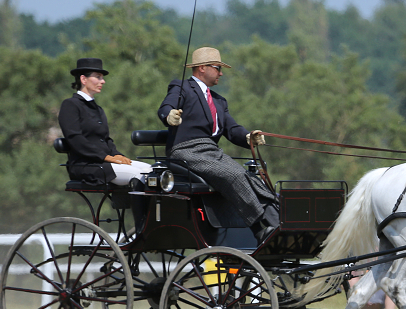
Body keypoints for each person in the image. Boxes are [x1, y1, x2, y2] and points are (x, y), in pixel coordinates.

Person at [157, 46, 279, 242]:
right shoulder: (182, 87)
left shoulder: (219, 101)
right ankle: (258, 229)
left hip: (211, 151)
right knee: (233, 174)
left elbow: (231, 129)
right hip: (186, 150)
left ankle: (277, 223)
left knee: (252, 178)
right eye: (217, 68)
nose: (221, 73)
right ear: (202, 68)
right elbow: (166, 105)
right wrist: (168, 115)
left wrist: (248, 138)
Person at [58, 58, 152, 186]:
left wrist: (118, 155)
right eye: (98, 77)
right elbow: (76, 139)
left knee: (150, 170)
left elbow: (105, 139)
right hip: (85, 165)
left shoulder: (98, 109)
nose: (103, 81)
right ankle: (139, 206)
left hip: (104, 162)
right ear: (83, 79)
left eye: (102, 77)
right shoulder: (70, 105)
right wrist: (106, 157)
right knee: (140, 175)